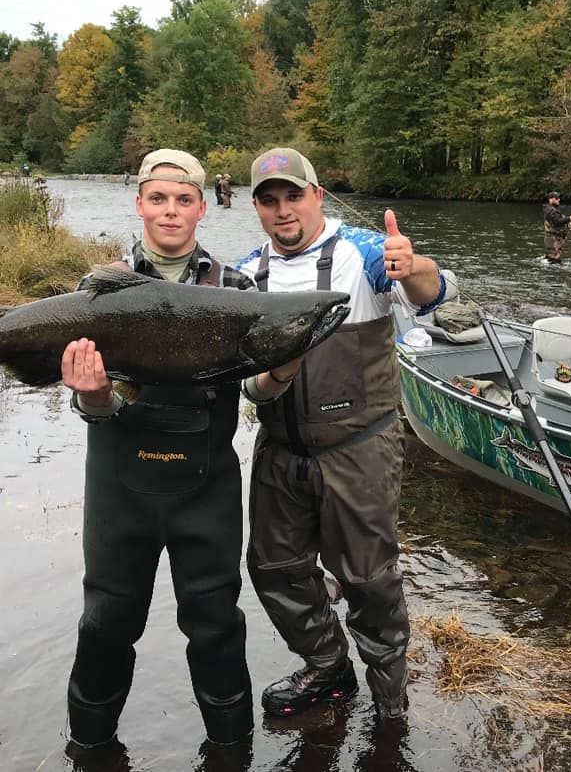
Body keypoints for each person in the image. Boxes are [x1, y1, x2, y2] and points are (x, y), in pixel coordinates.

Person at [59, 149, 296, 759]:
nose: (171, 211)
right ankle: (89, 748)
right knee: (107, 625)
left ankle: (230, 749)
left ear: (202, 208)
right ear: (139, 204)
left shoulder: (237, 289)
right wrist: (93, 394)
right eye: (158, 198)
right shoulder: (96, 289)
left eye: (183, 199)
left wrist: (284, 370)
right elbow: (91, 409)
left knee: (216, 625)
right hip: (120, 492)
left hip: (206, 489)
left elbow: (254, 389)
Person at [235, 146, 444, 723]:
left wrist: (416, 266)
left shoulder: (368, 254)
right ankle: (328, 668)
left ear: (317, 196)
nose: (283, 210)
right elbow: (248, 389)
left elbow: (433, 292)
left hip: (361, 449)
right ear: (256, 208)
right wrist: (272, 379)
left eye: (293, 196)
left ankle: (390, 701)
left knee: (368, 579)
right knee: (274, 569)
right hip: (280, 452)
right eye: (269, 200)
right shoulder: (244, 277)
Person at [543, 190, 571, 264]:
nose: (559, 199)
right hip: (553, 240)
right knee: (555, 262)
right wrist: (570, 218)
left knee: (552, 260)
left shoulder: (551, 209)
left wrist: (568, 222)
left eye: (559, 198)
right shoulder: (551, 210)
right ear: (551, 199)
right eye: (556, 198)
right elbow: (557, 221)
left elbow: (559, 219)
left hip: (553, 239)